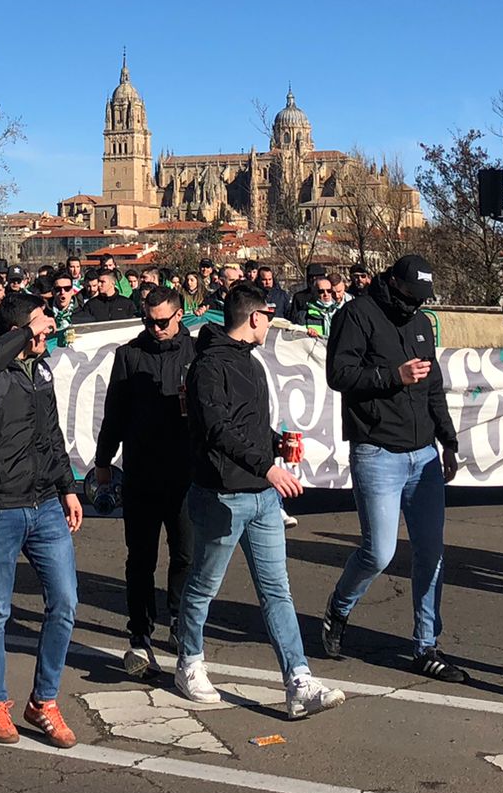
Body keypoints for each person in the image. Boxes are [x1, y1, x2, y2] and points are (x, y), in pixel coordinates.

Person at [172, 285, 345, 720]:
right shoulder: (208, 367)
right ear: (253, 318)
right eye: (268, 316)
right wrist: (267, 467)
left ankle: (298, 680)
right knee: (203, 586)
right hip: (221, 497)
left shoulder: (250, 361)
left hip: (262, 498)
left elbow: (248, 427)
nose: (271, 323)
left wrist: (276, 443)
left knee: (277, 591)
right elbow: (218, 429)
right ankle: (189, 661)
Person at [319, 254, 464, 680]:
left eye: (424, 298)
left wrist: (448, 440)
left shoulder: (421, 322)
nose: (418, 305)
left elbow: (433, 383)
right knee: (379, 552)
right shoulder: (357, 315)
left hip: (424, 454)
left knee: (432, 553)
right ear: (395, 284)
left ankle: (426, 644)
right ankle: (339, 608)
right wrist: (392, 376)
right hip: (377, 450)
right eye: (413, 296)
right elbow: (338, 374)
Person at [0, 290, 82, 748]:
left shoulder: (42, 369)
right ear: (16, 330)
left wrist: (67, 488)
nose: (47, 329)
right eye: (39, 324)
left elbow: (51, 434)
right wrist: (25, 333)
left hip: (45, 502)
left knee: (65, 604)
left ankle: (44, 700)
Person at [89, 285, 195, 676]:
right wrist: (103, 462)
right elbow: (114, 413)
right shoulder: (129, 355)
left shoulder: (197, 353)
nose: (155, 328)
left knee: (186, 556)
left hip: (185, 475)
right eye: (149, 322)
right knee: (140, 560)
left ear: (179, 315)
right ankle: (140, 636)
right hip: (141, 473)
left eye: (162, 322)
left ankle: (181, 625)